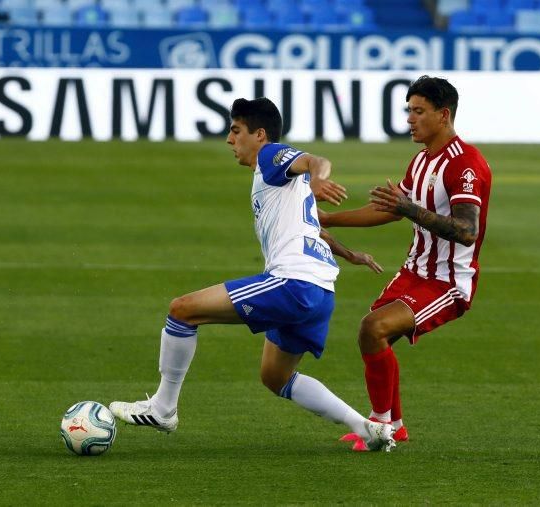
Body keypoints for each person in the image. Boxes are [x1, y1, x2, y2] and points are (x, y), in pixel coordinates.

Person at [110, 97, 396, 452]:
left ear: (259, 134)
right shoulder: (276, 183)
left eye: (235, 130)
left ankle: (163, 408)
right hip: (321, 292)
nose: (230, 140)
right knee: (275, 377)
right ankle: (367, 428)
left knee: (182, 310)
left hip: (293, 282)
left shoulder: (270, 155)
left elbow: (316, 161)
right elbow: (310, 227)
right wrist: (350, 253)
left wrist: (319, 179)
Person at [318, 75, 492, 450]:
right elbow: (391, 212)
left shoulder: (465, 165)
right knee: (374, 334)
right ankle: (394, 423)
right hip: (415, 272)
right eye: (409, 111)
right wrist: (328, 220)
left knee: (374, 328)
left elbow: (466, 231)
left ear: (443, 115)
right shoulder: (421, 160)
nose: (410, 119)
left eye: (418, 111)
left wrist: (408, 207)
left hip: (448, 281)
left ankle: (380, 426)